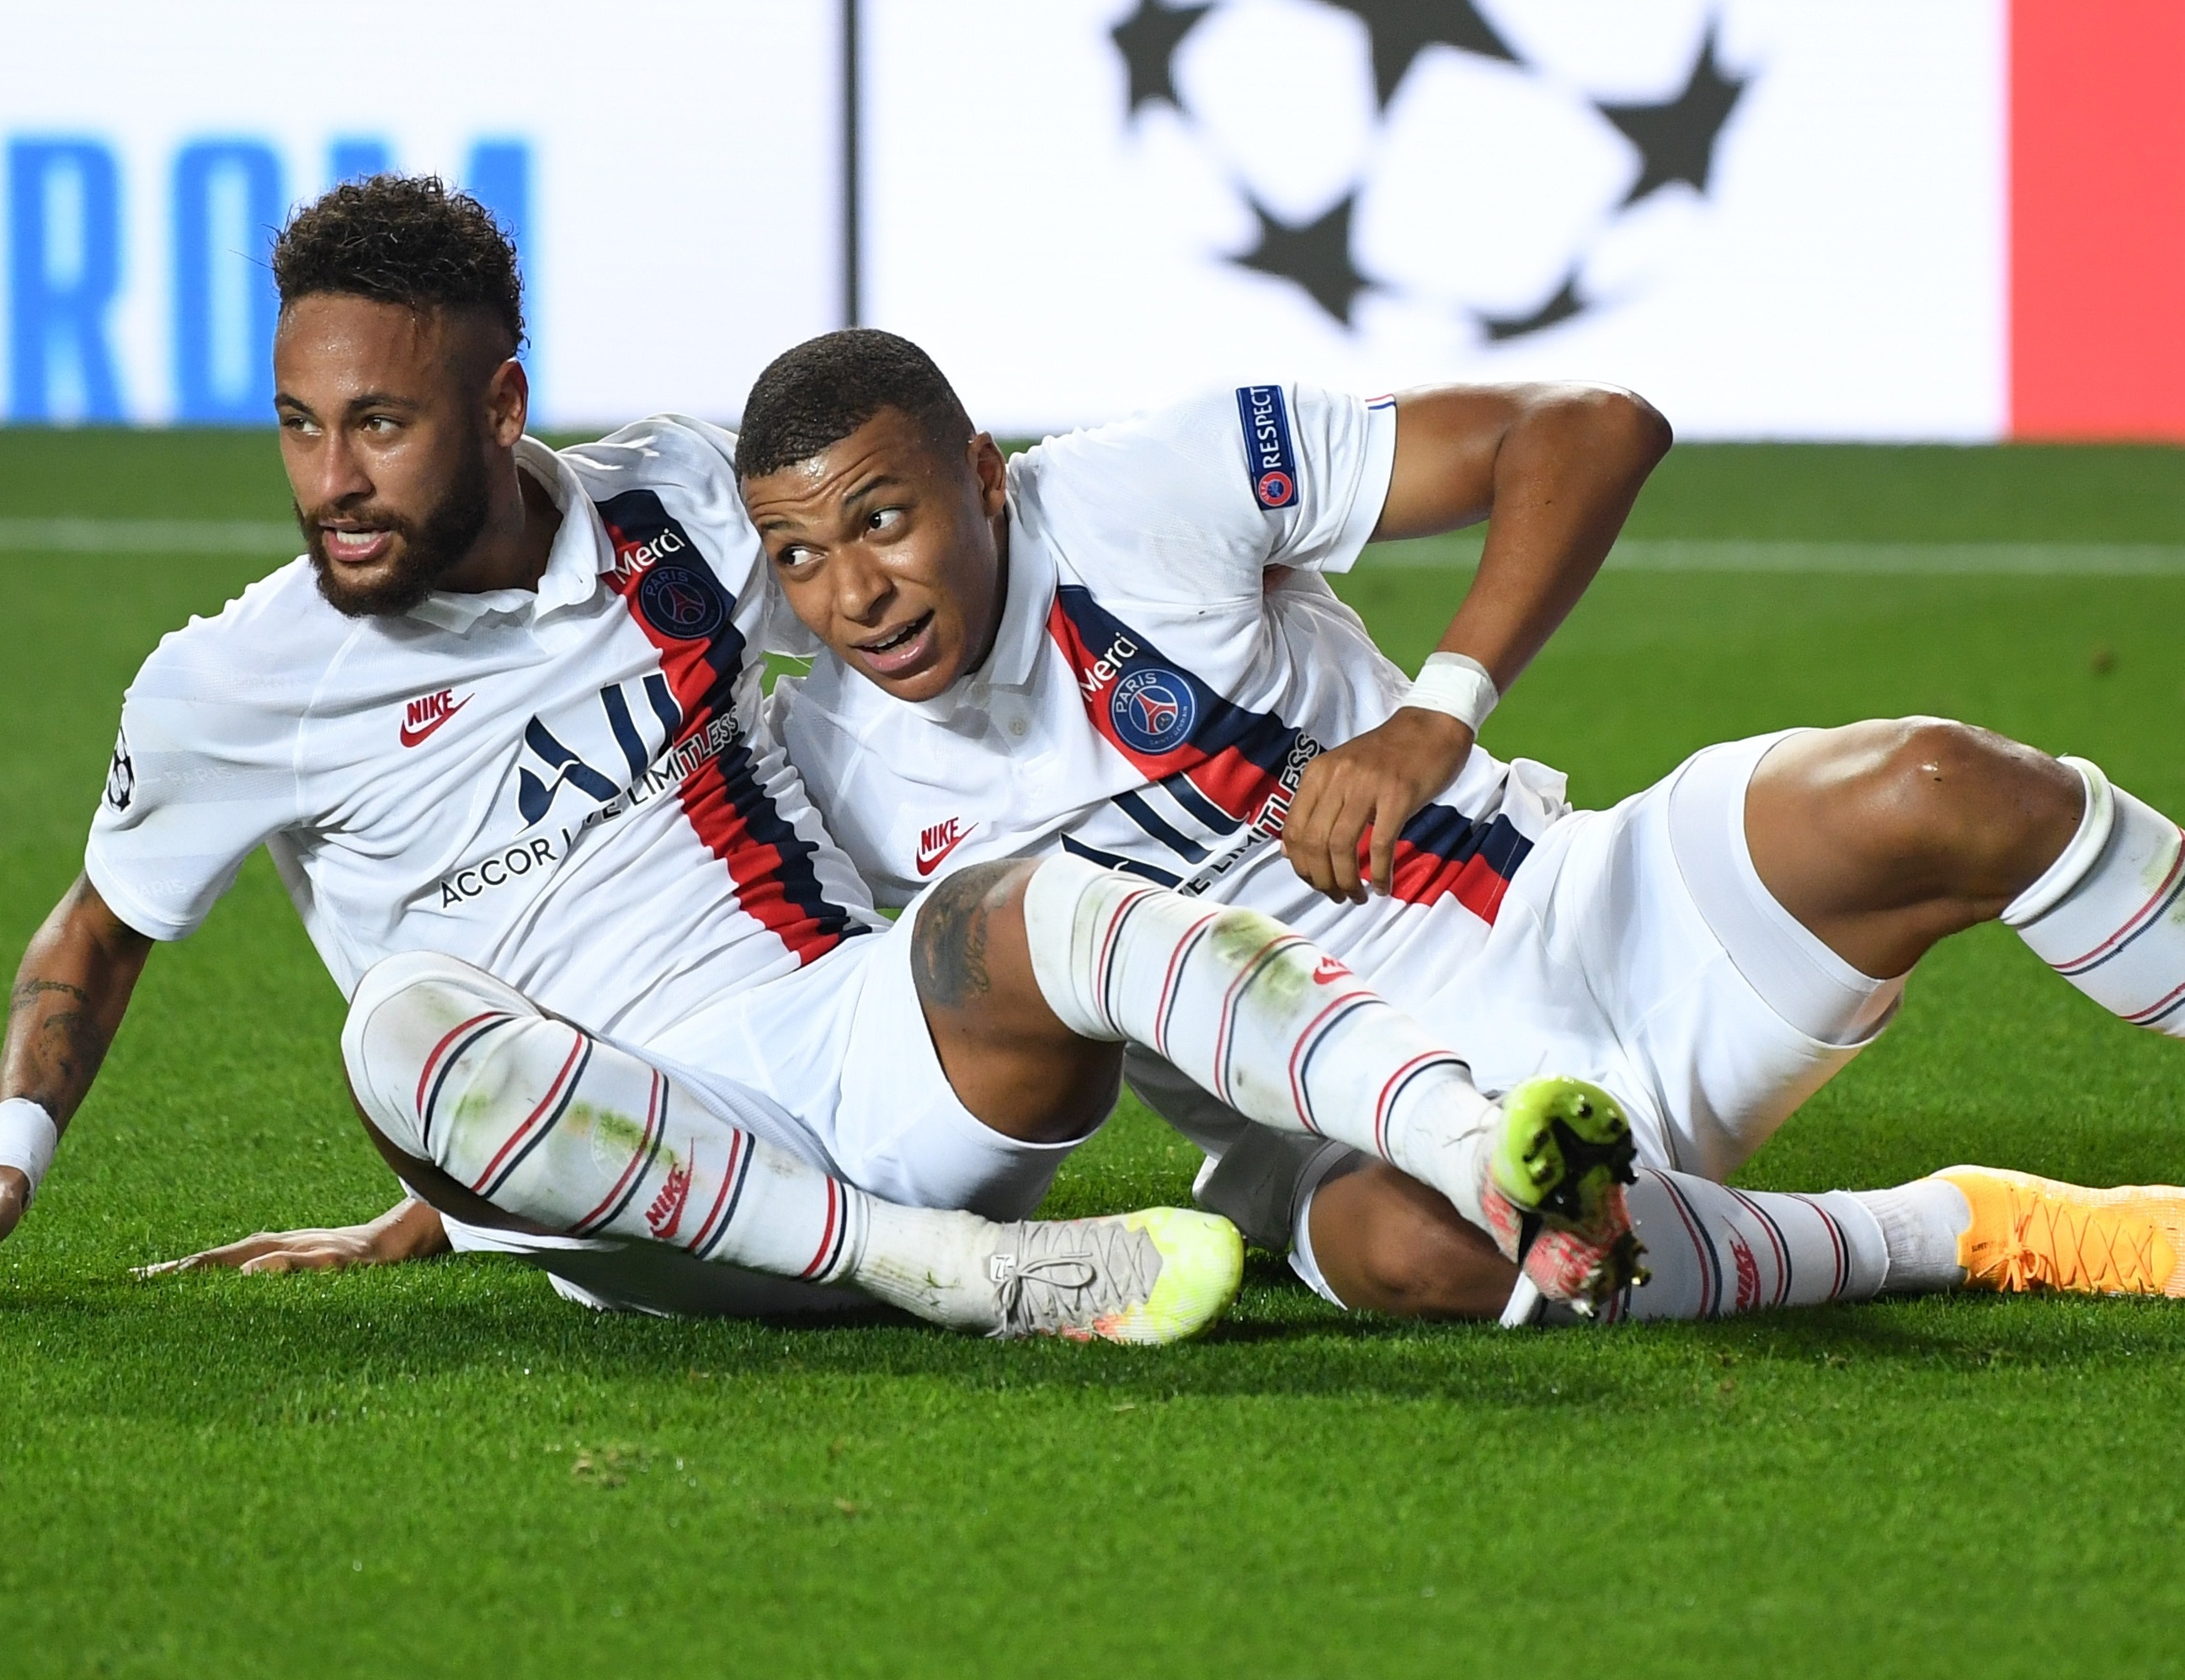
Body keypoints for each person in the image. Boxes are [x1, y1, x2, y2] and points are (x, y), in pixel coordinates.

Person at [238, 327, 2185, 1325]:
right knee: (1432, 1262)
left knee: (1945, 785)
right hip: (1332, 1133)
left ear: (983, 479)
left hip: (1592, 919)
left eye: (889, 519)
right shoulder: (827, 782)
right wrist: (455, 1185)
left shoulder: (1154, 488)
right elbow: (744, 1051)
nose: (857, 592)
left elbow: (1589, 425)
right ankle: (1963, 1233)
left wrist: (1435, 715)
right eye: (801, 561)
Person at [0, 176, 1639, 1341]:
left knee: (1060, 895)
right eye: (301, 424)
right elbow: (96, 935)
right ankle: (946, 1276)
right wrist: (17, 1168)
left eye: (381, 425)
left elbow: (906, 514)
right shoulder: (232, 686)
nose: (332, 478)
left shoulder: (686, 505)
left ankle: (1475, 1161)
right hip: (627, 1172)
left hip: (866, 1060)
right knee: (399, 1025)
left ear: (499, 406)